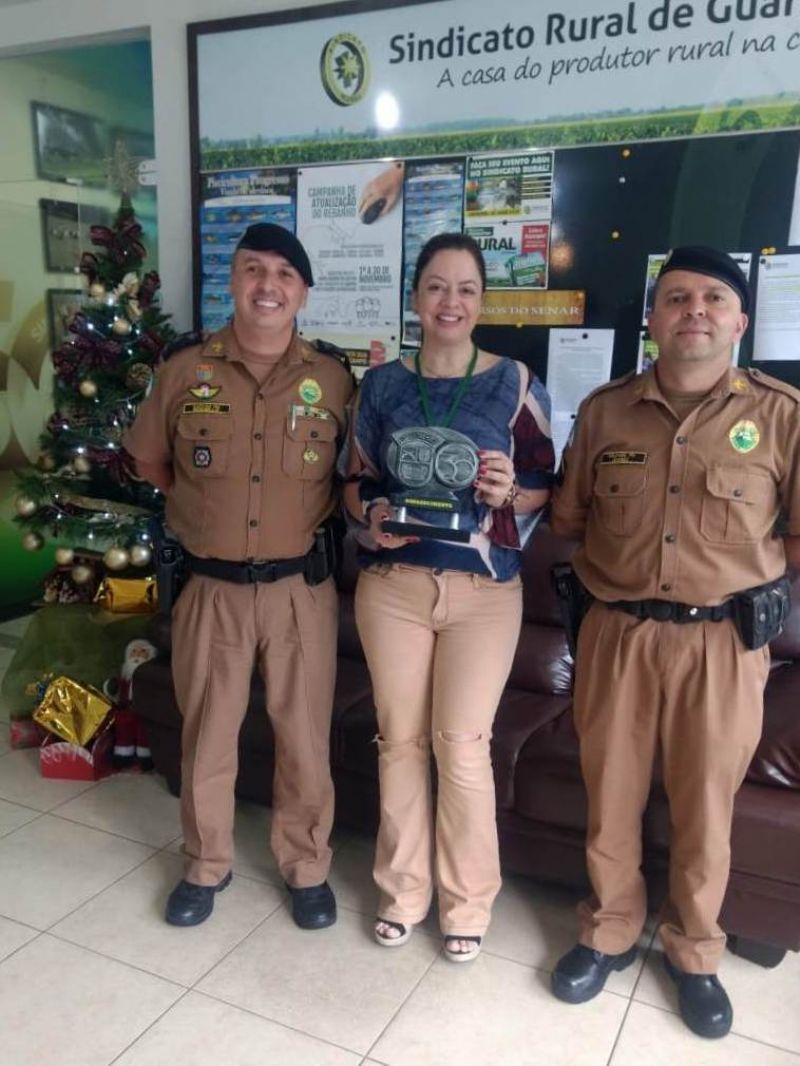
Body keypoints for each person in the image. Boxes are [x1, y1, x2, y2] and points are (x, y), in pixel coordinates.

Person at [549, 246, 800, 1038]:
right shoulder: (603, 411)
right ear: (653, 319)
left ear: (740, 320)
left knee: (704, 813)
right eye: (678, 297)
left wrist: (735, 578)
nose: (696, 310)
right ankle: (609, 930)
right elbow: (569, 521)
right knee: (611, 798)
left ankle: (694, 952)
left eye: (714, 298)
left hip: (722, 647)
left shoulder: (783, 416)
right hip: (616, 636)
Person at [124, 223, 354, 930]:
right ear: (233, 281)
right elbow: (151, 463)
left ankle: (305, 865)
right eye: (254, 270)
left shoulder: (335, 377)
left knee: (304, 739)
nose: (268, 286)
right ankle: (206, 863)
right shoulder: (185, 369)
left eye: (285, 274)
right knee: (209, 735)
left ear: (304, 292)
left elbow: (354, 477)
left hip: (299, 592)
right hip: (210, 589)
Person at [344, 232, 554, 961]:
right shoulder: (380, 387)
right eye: (436, 286)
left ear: (482, 299)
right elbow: (355, 480)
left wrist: (509, 491)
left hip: (483, 591)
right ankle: (402, 892)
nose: (450, 302)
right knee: (399, 742)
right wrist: (368, 517)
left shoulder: (518, 382)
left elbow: (544, 489)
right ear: (416, 296)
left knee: (461, 746)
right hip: (394, 587)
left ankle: (467, 904)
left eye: (465, 288)